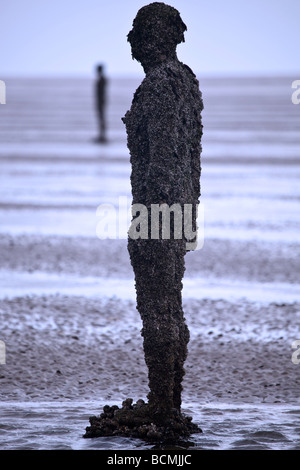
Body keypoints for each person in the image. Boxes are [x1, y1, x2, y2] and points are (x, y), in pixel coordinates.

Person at [123, 2, 204, 424]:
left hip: (156, 211)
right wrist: (188, 215)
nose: (131, 39)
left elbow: (162, 161)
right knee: (172, 307)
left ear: (154, 36)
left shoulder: (158, 84)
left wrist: (148, 219)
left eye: (138, 29)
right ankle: (171, 404)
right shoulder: (188, 82)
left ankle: (161, 406)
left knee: (157, 309)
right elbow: (193, 156)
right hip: (182, 209)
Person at [94, 64, 107, 143]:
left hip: (101, 101)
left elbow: (102, 92)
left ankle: (102, 136)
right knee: (101, 118)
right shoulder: (101, 79)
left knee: (101, 118)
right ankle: (101, 135)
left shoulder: (102, 79)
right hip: (100, 100)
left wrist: (101, 101)